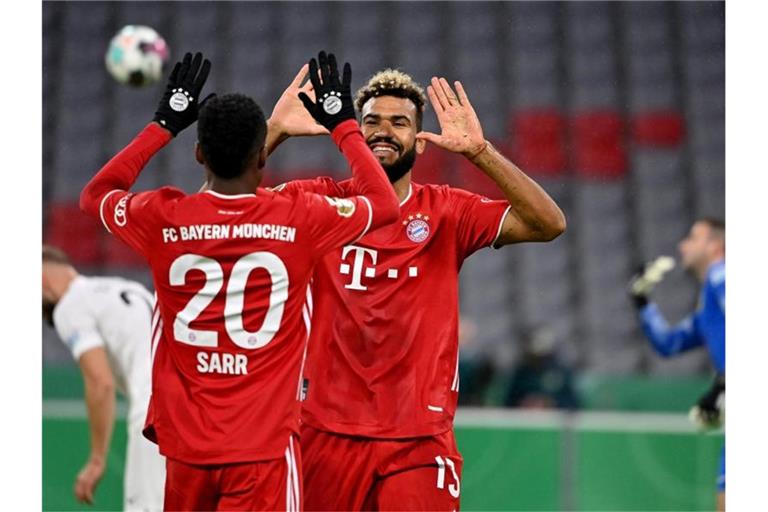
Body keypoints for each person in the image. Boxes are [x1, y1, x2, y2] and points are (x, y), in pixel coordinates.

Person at [79, 51, 398, 510]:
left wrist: (163, 124)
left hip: (186, 452)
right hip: (263, 452)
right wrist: (342, 123)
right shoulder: (301, 220)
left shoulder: (163, 219)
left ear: (198, 153)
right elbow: (383, 203)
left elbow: (95, 196)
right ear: (264, 155)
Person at [266, 67, 566, 510]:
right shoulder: (319, 203)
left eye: (399, 123)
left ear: (420, 140)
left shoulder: (447, 210)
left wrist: (481, 153)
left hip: (419, 440)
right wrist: (272, 133)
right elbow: (213, 215)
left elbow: (550, 224)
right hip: (325, 431)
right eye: (371, 121)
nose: (383, 131)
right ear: (353, 129)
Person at [42, 245, 164, 510]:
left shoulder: (69, 306)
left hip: (153, 413)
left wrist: (97, 458)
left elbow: (100, 383)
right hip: (192, 405)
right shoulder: (119, 286)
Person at [629, 218, 725, 511]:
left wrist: (722, 386)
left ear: (715, 245)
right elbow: (668, 343)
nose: (683, 244)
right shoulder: (709, 303)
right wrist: (643, 301)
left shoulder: (724, 277)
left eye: (693, 237)